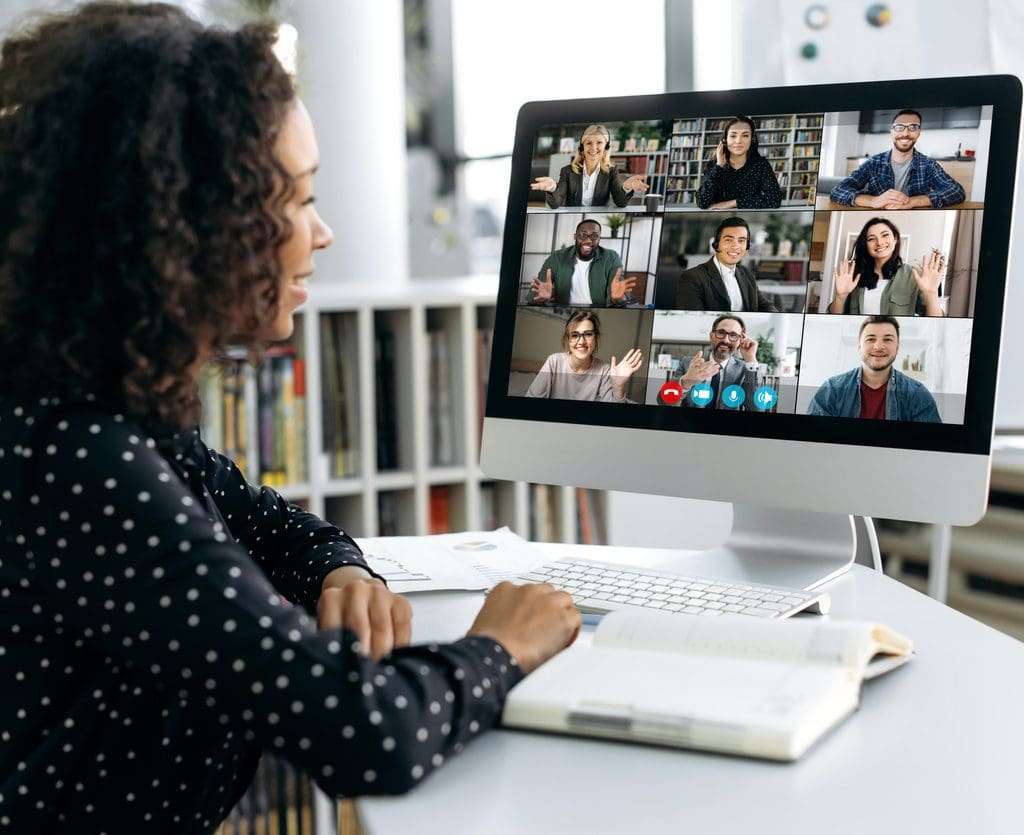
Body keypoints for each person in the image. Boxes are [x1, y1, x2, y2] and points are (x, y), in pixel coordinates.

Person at [0, 5, 581, 831]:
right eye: (298, 200)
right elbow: (365, 733)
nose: (324, 233)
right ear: (187, 223)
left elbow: (273, 525)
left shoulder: (107, 398)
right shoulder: (78, 457)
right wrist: (504, 644)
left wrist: (340, 571)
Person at [808, 316, 941, 422]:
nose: (878, 346)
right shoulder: (831, 389)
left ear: (897, 347)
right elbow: (811, 441)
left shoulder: (917, 395)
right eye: (871, 339)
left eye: (887, 339)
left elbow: (928, 448)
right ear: (859, 346)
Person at [830, 109, 967, 209]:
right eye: (900, 127)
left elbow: (957, 191)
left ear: (919, 132)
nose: (906, 133)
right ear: (892, 132)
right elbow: (837, 190)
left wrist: (912, 202)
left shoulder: (928, 165)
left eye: (913, 128)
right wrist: (873, 201)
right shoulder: (873, 163)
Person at [827, 217, 946, 316]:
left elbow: (935, 324)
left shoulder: (912, 276)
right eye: (871, 239)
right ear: (865, 245)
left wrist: (931, 294)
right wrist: (840, 297)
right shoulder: (854, 275)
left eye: (885, 235)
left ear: (895, 239)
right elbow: (834, 319)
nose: (879, 242)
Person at [525, 311, 643, 402]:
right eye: (575, 335)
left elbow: (612, 416)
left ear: (596, 338)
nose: (581, 342)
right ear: (568, 339)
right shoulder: (554, 361)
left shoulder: (604, 370)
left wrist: (618, 386)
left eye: (588, 334)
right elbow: (530, 401)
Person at [531, 123, 649, 209]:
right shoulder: (567, 171)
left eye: (599, 142)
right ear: (582, 148)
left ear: (606, 147)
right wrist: (552, 188)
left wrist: (626, 188)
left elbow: (620, 202)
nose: (593, 148)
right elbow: (555, 203)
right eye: (588, 143)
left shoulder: (611, 171)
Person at [676, 217, 780, 312]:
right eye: (729, 240)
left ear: (747, 246)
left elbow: (764, 304)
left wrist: (777, 317)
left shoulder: (747, 274)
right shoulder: (692, 277)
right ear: (717, 244)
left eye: (741, 240)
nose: (735, 246)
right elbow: (692, 321)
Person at [658, 315, 760, 409]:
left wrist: (750, 360)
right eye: (721, 332)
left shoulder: (745, 369)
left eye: (733, 335)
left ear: (740, 341)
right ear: (711, 336)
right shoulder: (688, 363)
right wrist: (685, 383)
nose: (726, 340)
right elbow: (663, 402)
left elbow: (755, 408)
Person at [528, 219, 637, 307]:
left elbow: (618, 295)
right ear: (575, 237)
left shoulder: (611, 257)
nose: (588, 240)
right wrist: (540, 299)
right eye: (583, 235)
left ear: (599, 239)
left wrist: (615, 299)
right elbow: (532, 297)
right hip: (566, 311)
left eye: (594, 236)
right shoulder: (557, 257)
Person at [695, 116, 783, 210]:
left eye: (745, 135)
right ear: (725, 139)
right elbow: (702, 202)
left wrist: (733, 203)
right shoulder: (714, 165)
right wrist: (719, 165)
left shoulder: (761, 165)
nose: (738, 141)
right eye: (733, 136)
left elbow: (775, 199)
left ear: (752, 139)